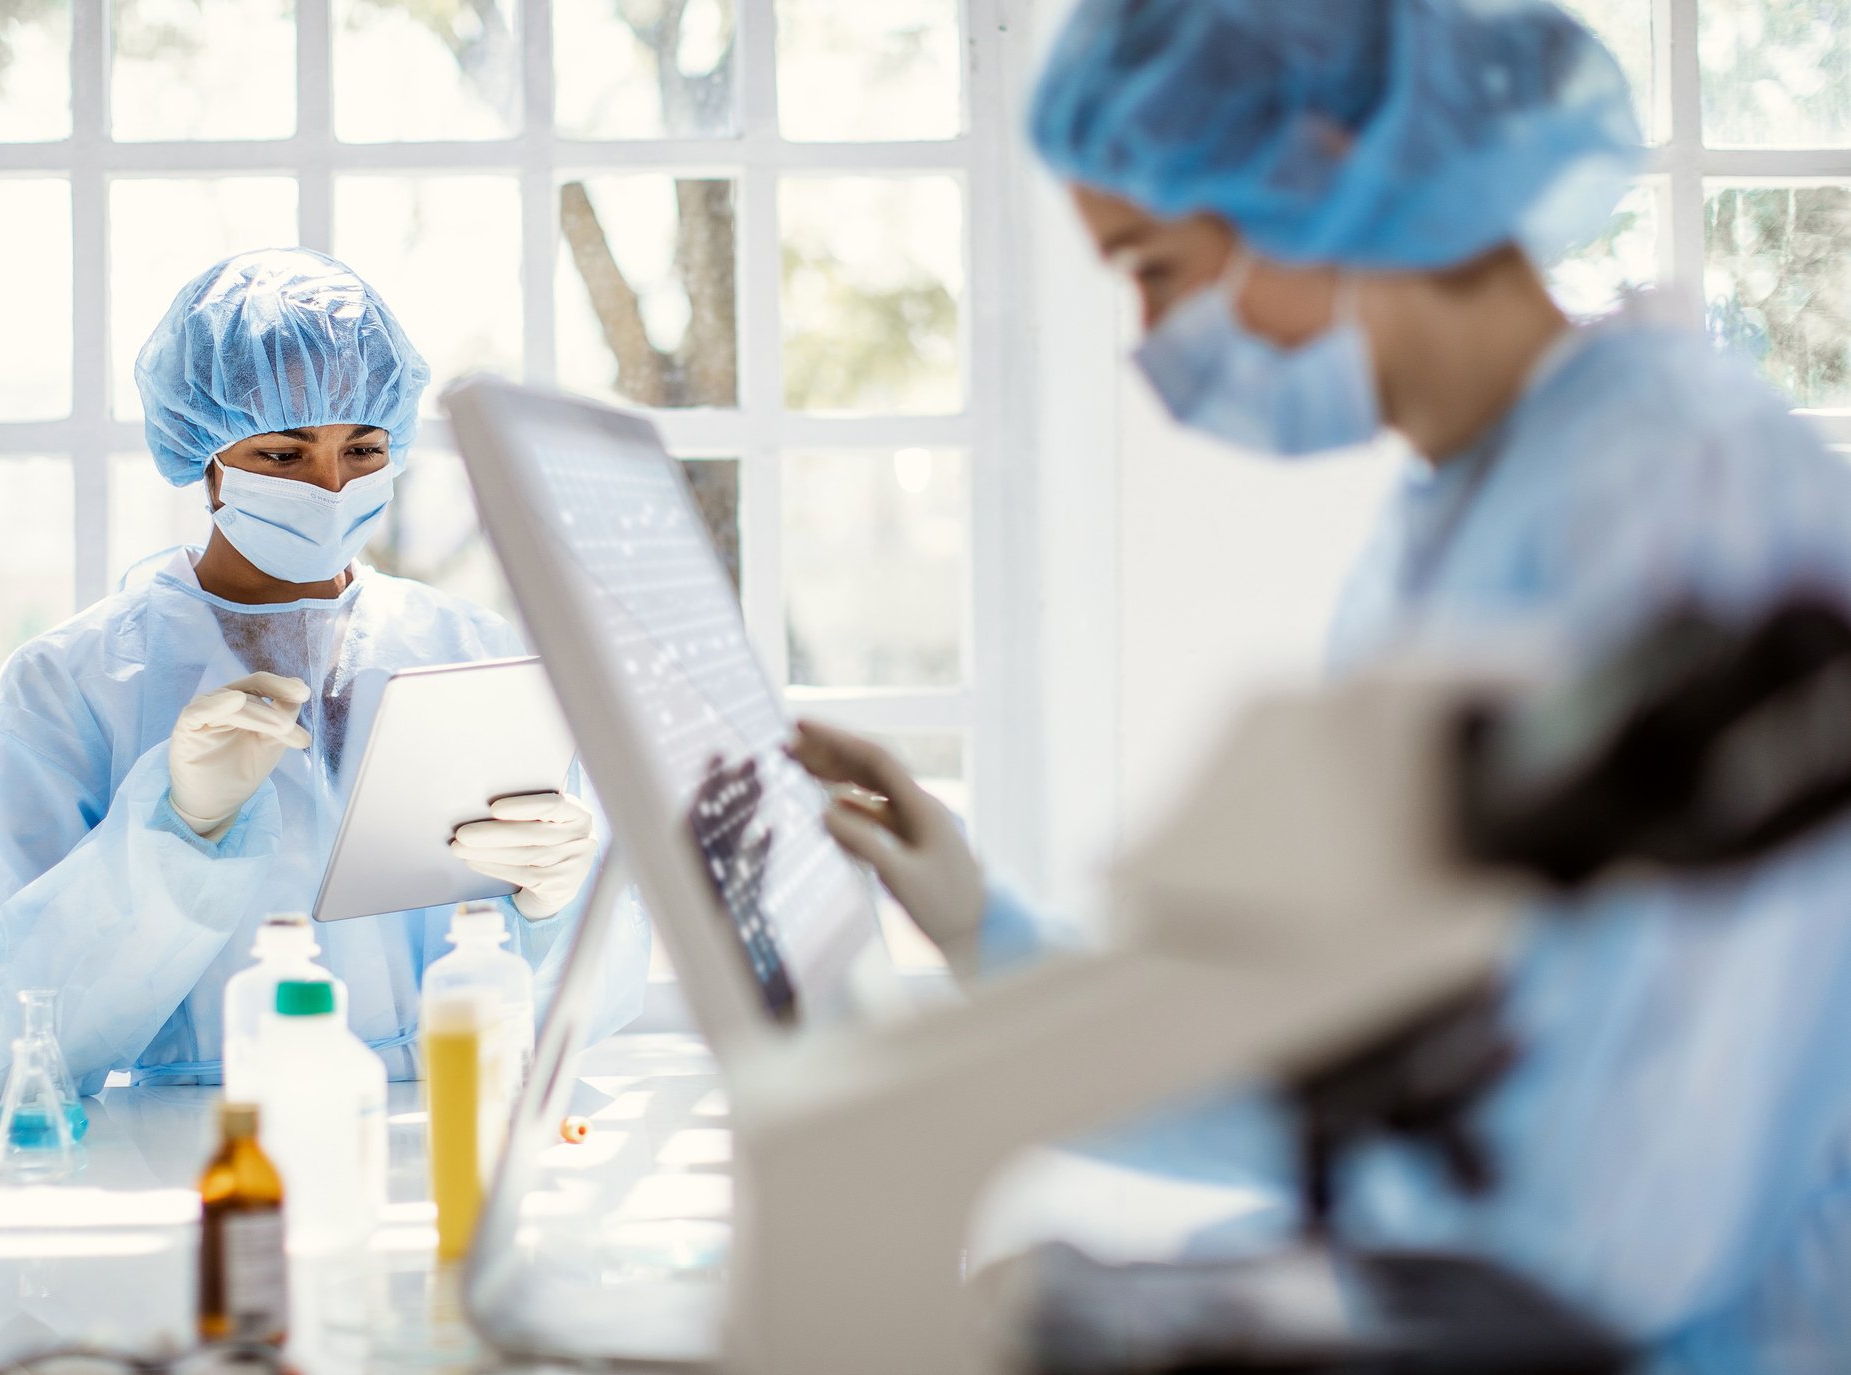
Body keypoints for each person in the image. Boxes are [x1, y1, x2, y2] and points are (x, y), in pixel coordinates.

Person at [791, 1, 1851, 1369]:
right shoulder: (1452, 516)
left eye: (1155, 267)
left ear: (1316, 163)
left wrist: (1192, 1311)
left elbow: (1630, 1194)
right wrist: (993, 941)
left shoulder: (1671, 493)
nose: (1153, 337)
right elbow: (1371, 1049)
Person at [0, 248, 647, 1095]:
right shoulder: (74, 684)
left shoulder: (469, 649)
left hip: (434, 1123)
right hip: (193, 1146)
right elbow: (6, 1033)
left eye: (364, 448)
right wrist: (175, 830)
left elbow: (588, 1003)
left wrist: (555, 906)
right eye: (285, 455)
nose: (332, 486)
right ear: (204, 458)